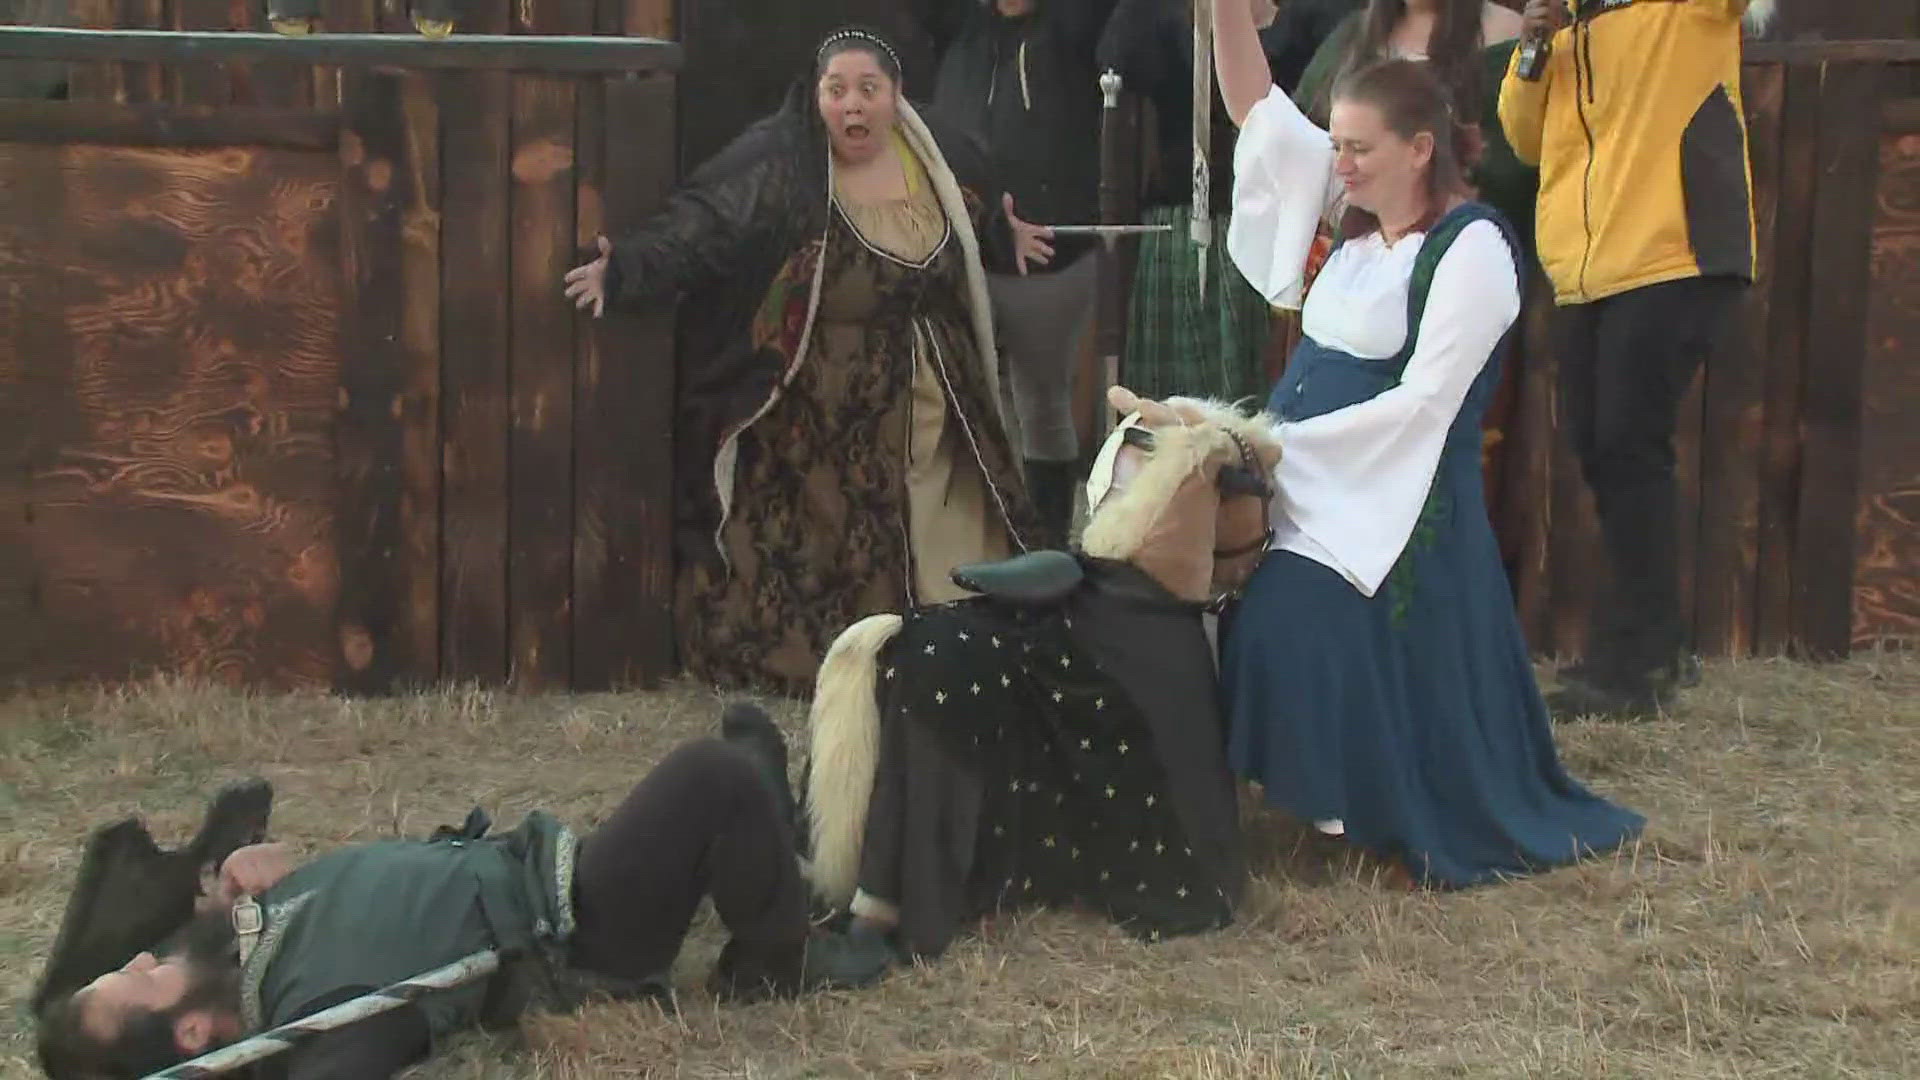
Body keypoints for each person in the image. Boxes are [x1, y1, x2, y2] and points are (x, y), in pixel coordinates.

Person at [1210, 0, 1643, 887]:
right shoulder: (1363, 225)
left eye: (1359, 149)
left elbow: (1426, 404)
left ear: (1420, 148)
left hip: (1391, 491)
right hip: (1310, 470)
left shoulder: (1472, 248)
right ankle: (1316, 796)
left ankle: (1379, 805)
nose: (1341, 164)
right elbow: (1261, 117)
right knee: (1242, 613)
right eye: (1337, 147)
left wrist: (1282, 451)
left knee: (1296, 617)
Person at [563, 28, 1052, 696]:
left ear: (895, 96)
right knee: (827, 546)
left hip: (937, 382)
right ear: (817, 97)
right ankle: (863, 654)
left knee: (952, 514)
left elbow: (972, 216)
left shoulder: (938, 153)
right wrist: (626, 270)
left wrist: (1003, 235)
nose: (853, 106)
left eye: (868, 90)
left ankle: (953, 627)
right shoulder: (786, 164)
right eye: (837, 90)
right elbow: (706, 225)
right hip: (824, 401)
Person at [34, 712, 888, 1080]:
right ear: (191, 1034)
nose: (142, 957)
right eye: (137, 980)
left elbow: (227, 908)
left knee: (721, 790)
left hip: (526, 859)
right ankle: (778, 958)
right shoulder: (326, 1014)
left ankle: (765, 827)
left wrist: (264, 864)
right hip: (573, 931)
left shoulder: (236, 953)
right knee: (708, 776)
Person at [1499, 0, 1768, 719]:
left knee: (1627, 443)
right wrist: (1533, 43)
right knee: (1602, 447)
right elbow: (1524, 140)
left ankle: (1639, 658)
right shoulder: (1563, 33)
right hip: (1590, 273)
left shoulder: (1686, 11)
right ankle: (1653, 645)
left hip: (1676, 255)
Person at [921, 0, 1119, 544]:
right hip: (960, 247)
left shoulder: (1074, 24)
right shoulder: (960, 27)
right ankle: (985, 540)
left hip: (1047, 252)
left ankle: (1046, 548)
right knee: (965, 404)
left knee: (1040, 404)